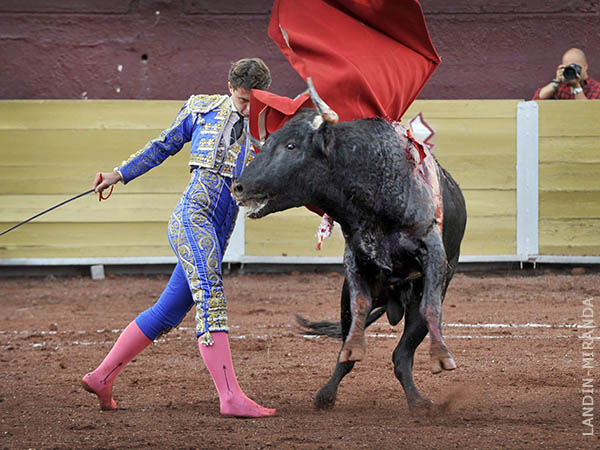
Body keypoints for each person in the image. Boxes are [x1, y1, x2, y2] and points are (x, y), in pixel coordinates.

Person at [81, 58, 276, 418]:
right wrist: (118, 174)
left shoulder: (270, 126)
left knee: (168, 310)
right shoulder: (201, 109)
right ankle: (230, 396)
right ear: (230, 87)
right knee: (211, 292)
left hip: (220, 227)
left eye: (255, 101)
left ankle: (101, 376)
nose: (249, 108)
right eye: (244, 100)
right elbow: (162, 146)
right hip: (192, 217)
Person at [533, 48, 600, 100]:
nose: (572, 70)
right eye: (568, 67)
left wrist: (576, 87)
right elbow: (536, 100)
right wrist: (556, 82)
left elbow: (588, 111)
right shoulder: (561, 87)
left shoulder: (596, 88)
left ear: (585, 66)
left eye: (574, 66)